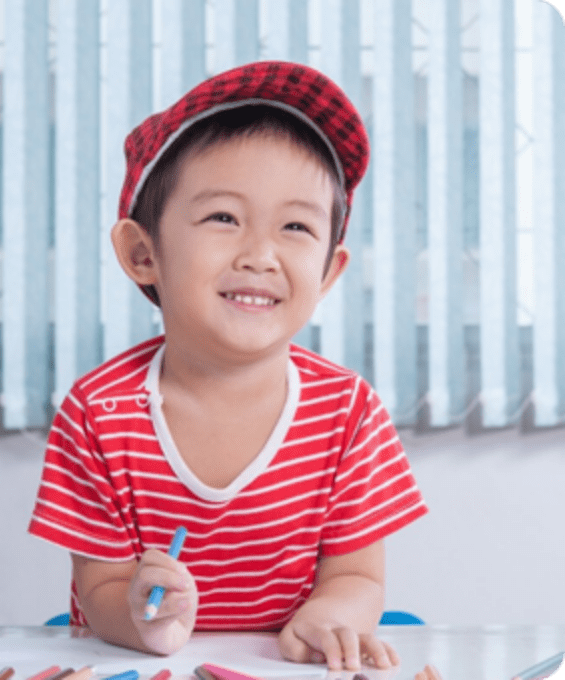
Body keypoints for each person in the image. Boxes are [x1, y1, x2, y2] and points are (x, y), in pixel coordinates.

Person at [28, 61, 431, 673]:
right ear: (143, 253)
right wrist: (144, 620)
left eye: (295, 226)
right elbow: (101, 589)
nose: (261, 255)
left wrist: (332, 615)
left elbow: (356, 575)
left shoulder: (348, 410)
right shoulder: (98, 412)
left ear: (328, 272)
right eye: (224, 218)